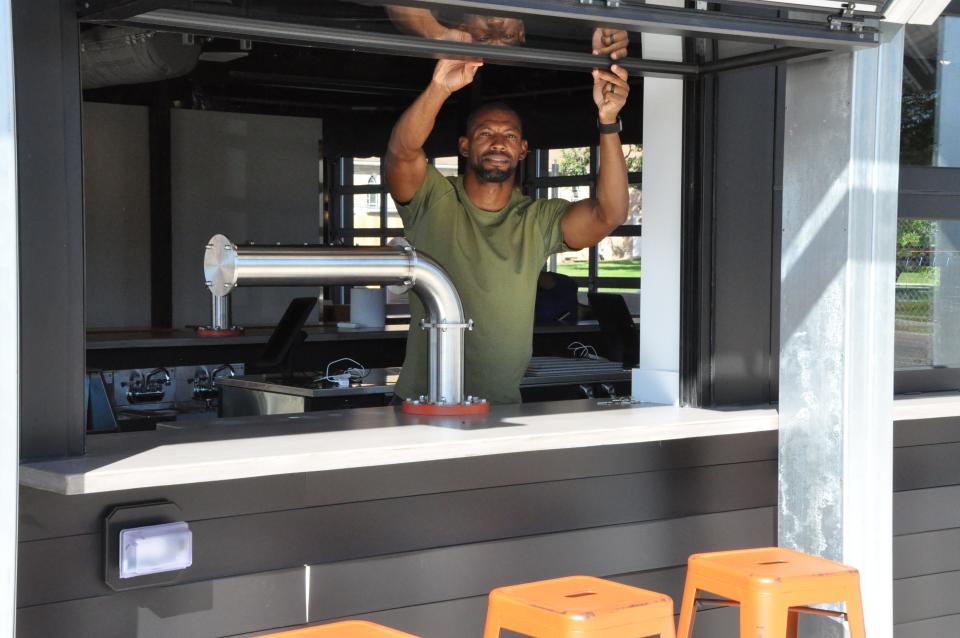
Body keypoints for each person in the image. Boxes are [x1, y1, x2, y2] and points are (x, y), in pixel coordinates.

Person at [386, 57, 631, 404]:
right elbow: (402, 151)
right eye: (485, 134)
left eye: (509, 136)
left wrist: (608, 122)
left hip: (501, 407)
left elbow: (610, 213)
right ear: (465, 146)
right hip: (421, 402)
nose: (498, 142)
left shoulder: (537, 219)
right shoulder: (433, 199)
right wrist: (439, 89)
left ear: (522, 150)